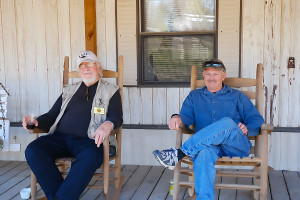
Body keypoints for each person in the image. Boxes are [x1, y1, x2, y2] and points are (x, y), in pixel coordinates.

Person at [153, 59, 264, 200]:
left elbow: (257, 121)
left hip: (235, 145)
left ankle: (179, 153)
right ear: (203, 76)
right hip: (207, 146)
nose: (211, 78)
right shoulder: (194, 96)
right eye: (208, 74)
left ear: (223, 76)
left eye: (215, 74)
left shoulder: (237, 96)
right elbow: (185, 118)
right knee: (203, 153)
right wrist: (176, 117)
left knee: (228, 123)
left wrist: (247, 129)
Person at [23, 51, 123, 200]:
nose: (86, 68)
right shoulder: (68, 90)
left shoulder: (111, 90)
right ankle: (61, 196)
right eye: (82, 66)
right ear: (78, 70)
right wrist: (36, 121)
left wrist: (107, 124)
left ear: (98, 66)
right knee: (33, 150)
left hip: (89, 140)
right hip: (60, 137)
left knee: (91, 156)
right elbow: (51, 116)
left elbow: (116, 116)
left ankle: (60, 197)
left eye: (89, 64)